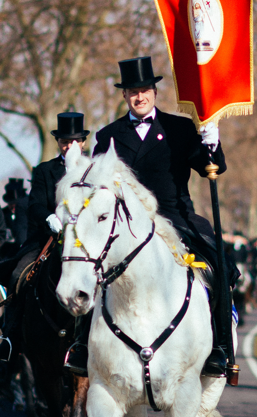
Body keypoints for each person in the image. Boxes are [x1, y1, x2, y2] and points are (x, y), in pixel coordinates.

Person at [72, 57, 233, 377]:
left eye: (145, 90)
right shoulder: (109, 135)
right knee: (85, 265)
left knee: (218, 263)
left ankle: (220, 345)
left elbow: (211, 169)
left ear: (155, 92)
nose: (139, 96)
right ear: (124, 95)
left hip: (175, 216)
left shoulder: (180, 128)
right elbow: (98, 185)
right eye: (133, 91)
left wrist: (211, 143)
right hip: (125, 221)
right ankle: (81, 345)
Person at [0, 111, 90, 362]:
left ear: (83, 143)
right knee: (18, 274)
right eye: (65, 141)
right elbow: (34, 204)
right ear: (58, 143)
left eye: (74, 141)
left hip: (85, 241)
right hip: (49, 238)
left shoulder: (92, 170)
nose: (69, 146)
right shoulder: (45, 170)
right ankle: (11, 336)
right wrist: (49, 217)